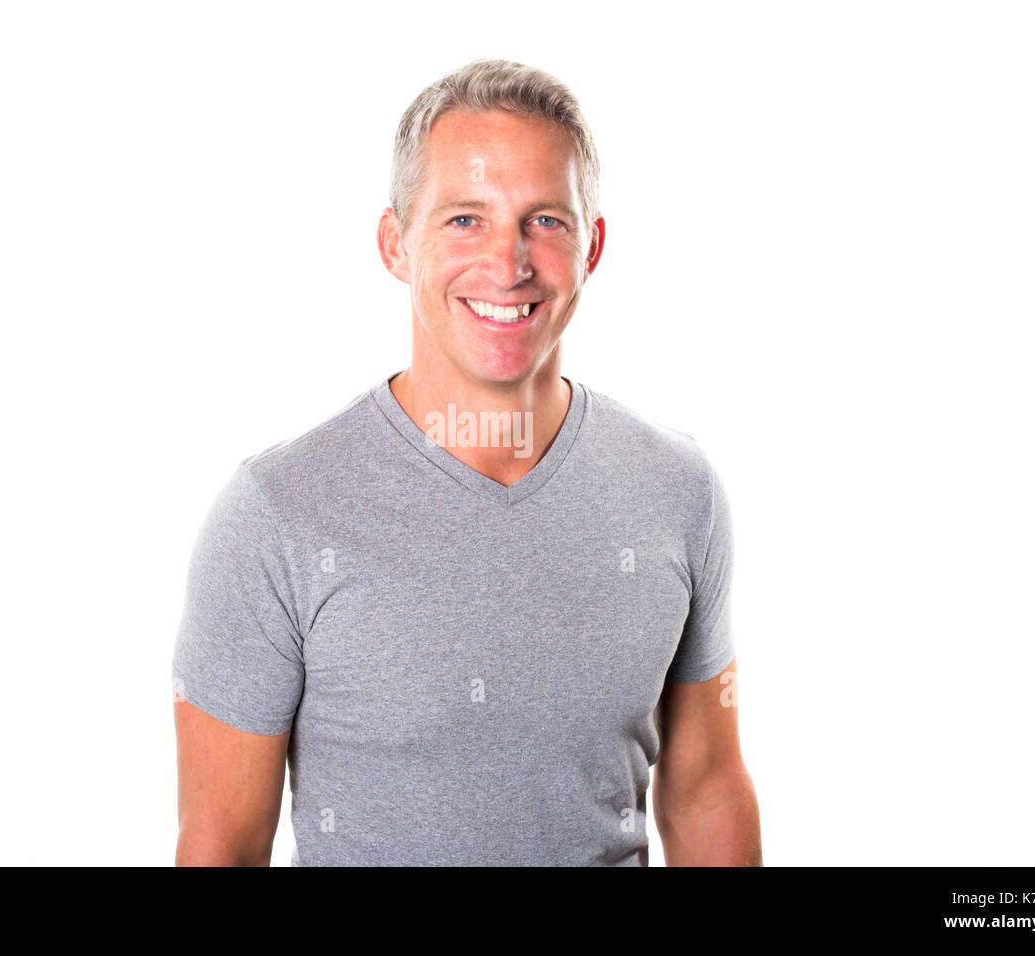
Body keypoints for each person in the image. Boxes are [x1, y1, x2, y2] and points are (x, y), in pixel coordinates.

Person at [171, 58, 761, 866]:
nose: (509, 262)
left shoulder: (677, 490)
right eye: (465, 220)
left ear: (591, 246)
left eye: (544, 220)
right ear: (395, 244)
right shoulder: (277, 513)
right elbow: (221, 846)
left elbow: (704, 792)